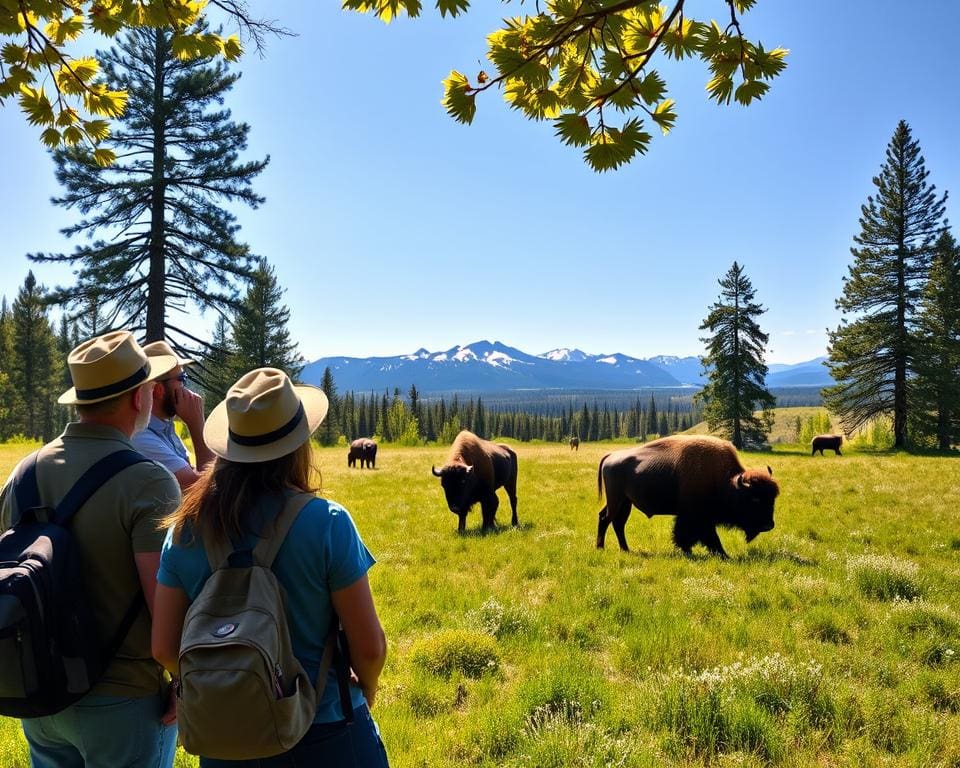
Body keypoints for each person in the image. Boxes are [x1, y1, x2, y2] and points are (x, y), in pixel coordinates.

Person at [152, 367, 389, 768]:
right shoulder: (329, 523)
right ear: (299, 446)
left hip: (225, 738)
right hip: (326, 728)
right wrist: (366, 689)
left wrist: (226, 681)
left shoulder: (184, 531)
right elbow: (369, 648)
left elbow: (163, 646)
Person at [0, 330, 182, 768]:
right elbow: (164, 608)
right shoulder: (150, 481)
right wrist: (185, 679)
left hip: (39, 691)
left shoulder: (23, 475)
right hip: (124, 700)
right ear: (140, 399)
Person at [132, 340, 215, 490]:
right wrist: (197, 426)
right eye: (182, 379)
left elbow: (193, 474)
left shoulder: (162, 427)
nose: (185, 387)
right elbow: (202, 491)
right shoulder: (141, 438)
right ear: (158, 390)